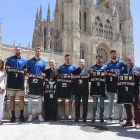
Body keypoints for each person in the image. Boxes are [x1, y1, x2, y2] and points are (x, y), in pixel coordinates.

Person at [5, 47, 27, 123]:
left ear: (21, 51)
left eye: (19, 50)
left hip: (20, 83)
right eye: (17, 50)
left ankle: (21, 115)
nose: (18, 51)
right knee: (12, 99)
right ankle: (13, 116)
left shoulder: (24, 61)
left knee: (21, 99)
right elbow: (6, 68)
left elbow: (26, 70)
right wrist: (7, 68)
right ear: (14, 51)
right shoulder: (9, 59)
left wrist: (26, 71)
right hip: (12, 82)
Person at [120, 56, 140, 129]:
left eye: (130, 60)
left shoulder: (137, 68)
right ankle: (129, 121)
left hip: (135, 89)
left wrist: (138, 74)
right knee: (127, 106)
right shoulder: (122, 69)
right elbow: (120, 78)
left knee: (136, 106)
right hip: (126, 89)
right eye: (127, 60)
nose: (128, 61)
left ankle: (138, 122)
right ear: (125, 61)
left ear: (133, 60)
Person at [26, 47, 46, 122]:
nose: (37, 52)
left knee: (40, 99)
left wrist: (44, 74)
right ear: (34, 52)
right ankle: (30, 115)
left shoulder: (43, 62)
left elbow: (44, 72)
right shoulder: (29, 61)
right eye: (36, 51)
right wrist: (27, 74)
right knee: (30, 98)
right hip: (31, 82)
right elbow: (26, 71)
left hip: (39, 83)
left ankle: (40, 114)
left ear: (40, 52)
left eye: (39, 51)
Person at [106, 50, 125, 125]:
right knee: (110, 102)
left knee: (120, 101)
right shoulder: (108, 64)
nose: (113, 55)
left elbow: (124, 70)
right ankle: (110, 117)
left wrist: (119, 72)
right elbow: (107, 73)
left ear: (116, 54)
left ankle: (121, 118)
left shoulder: (121, 63)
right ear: (110, 55)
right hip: (111, 84)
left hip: (119, 84)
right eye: (112, 54)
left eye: (114, 54)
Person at [59, 54, 76, 121]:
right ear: (64, 59)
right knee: (63, 101)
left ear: (70, 59)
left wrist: (73, 76)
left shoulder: (73, 67)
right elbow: (59, 75)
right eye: (66, 59)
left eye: (68, 59)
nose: (67, 60)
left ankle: (70, 115)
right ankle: (63, 115)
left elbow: (75, 76)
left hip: (71, 86)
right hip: (63, 86)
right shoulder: (61, 67)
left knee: (71, 101)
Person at [90, 55, 107, 123]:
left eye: (100, 58)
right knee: (95, 103)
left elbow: (106, 77)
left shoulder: (105, 67)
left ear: (102, 59)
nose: (99, 59)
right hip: (95, 88)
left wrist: (106, 73)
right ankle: (94, 117)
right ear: (96, 59)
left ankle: (101, 117)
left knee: (102, 104)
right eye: (97, 58)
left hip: (102, 87)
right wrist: (91, 73)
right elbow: (91, 77)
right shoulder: (93, 67)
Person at [0, 59, 6, 124]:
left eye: (0, 63)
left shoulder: (4, 72)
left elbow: (5, 81)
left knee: (0, 104)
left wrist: (3, 89)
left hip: (2, 90)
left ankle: (0, 118)